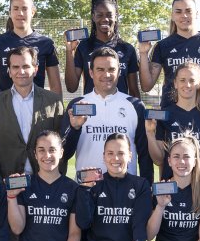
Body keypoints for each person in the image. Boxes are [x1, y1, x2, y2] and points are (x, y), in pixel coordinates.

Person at [74, 133, 155, 241]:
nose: (115, 158)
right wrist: (84, 191)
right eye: (110, 153)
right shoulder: (93, 184)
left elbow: (139, 226)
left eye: (121, 153)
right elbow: (83, 223)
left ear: (130, 156)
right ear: (103, 156)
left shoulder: (140, 185)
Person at [7, 131, 81, 241]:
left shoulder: (72, 189)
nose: (47, 155)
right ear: (35, 154)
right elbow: (17, 228)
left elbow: (75, 232)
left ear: (61, 152)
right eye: (41, 150)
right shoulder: (24, 184)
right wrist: (11, 197)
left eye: (52, 150)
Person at [63, 46, 150, 176]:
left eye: (111, 69)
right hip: (87, 187)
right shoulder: (77, 105)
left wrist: (146, 189)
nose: (106, 75)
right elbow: (64, 154)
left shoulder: (135, 106)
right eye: (100, 70)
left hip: (125, 190)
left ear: (119, 72)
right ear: (91, 73)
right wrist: (75, 128)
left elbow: (145, 154)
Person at [0, 46, 65, 178]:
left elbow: (62, 142)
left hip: (45, 181)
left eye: (26, 66)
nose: (21, 71)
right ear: (9, 71)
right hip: (8, 182)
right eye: (15, 67)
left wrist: (57, 178)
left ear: (35, 69)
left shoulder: (53, 101)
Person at [147, 62, 200, 193]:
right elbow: (158, 160)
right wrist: (150, 133)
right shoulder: (164, 115)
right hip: (172, 192)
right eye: (182, 80)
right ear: (175, 83)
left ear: (199, 83)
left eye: (192, 80)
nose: (187, 85)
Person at [138, 0, 200, 111]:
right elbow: (146, 86)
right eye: (178, 12)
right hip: (169, 118)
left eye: (188, 11)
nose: (184, 15)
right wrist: (143, 54)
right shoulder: (162, 46)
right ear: (172, 15)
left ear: (196, 14)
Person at [0, 0, 60, 93]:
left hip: (35, 107)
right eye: (16, 8)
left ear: (32, 12)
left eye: (24, 8)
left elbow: (55, 86)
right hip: (4, 106)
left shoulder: (46, 43)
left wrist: (58, 108)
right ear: (10, 12)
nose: (20, 13)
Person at [64, 0, 141, 96]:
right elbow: (71, 87)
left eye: (109, 15)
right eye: (100, 15)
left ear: (116, 16)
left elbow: (134, 91)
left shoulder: (127, 49)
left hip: (120, 111)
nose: (105, 19)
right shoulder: (84, 47)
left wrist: (137, 110)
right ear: (93, 17)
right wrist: (69, 51)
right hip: (92, 110)